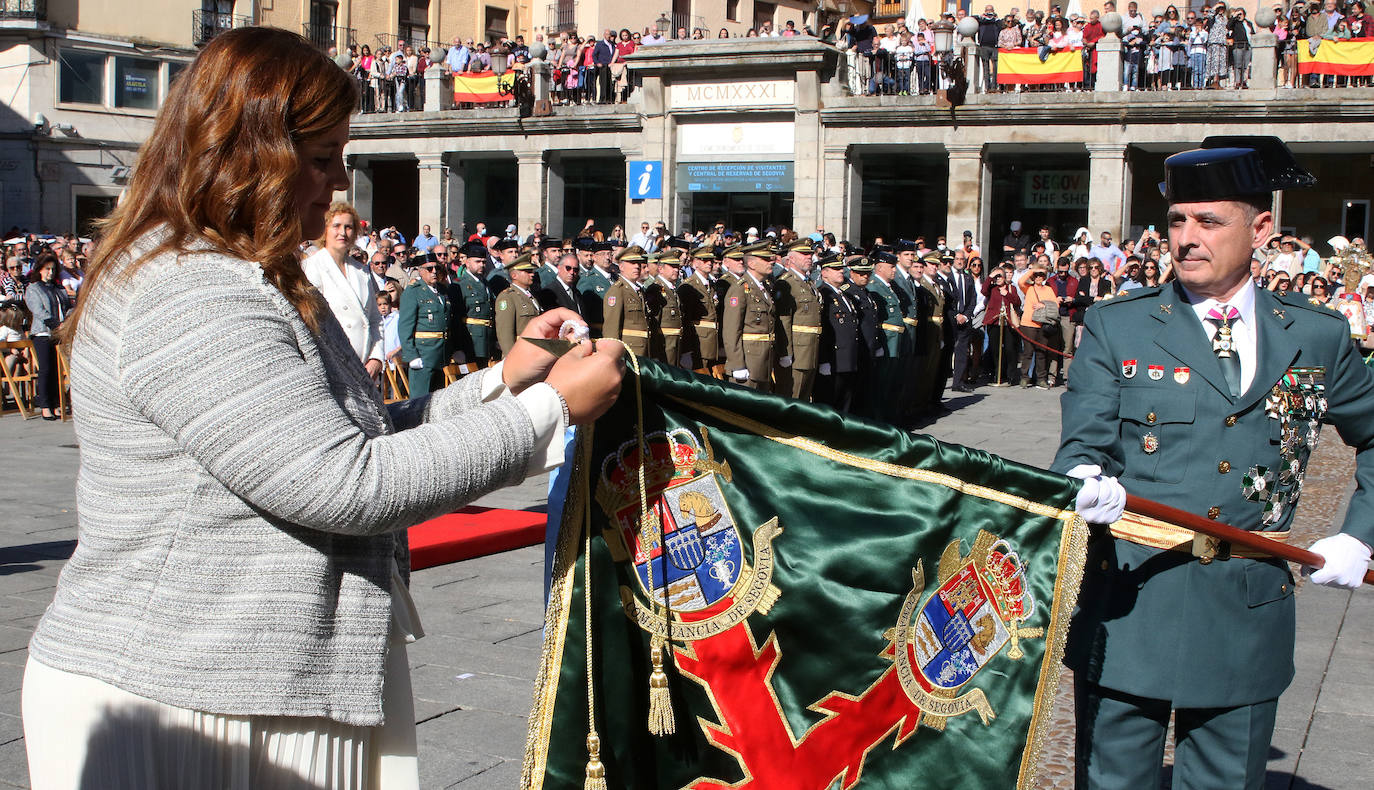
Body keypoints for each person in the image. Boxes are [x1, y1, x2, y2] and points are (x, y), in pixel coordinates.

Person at [21, 27, 624, 790]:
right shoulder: (191, 289)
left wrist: (510, 381)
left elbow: (353, 437)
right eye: (319, 157)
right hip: (191, 686)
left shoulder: (243, 272)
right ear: (246, 153)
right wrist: (549, 415)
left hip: (240, 678)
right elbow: (343, 483)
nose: (336, 182)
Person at [1056, 136, 1374, 790]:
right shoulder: (1123, 328)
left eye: (1209, 220)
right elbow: (1085, 435)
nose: (1186, 237)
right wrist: (1084, 475)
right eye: (1176, 220)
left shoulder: (1315, 336)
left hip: (1246, 611)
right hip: (1132, 603)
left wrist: (1359, 533)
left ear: (1261, 228)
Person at [301, 202, 385, 379]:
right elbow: (312, 322)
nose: (342, 232)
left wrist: (376, 358)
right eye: (336, 226)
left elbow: (375, 319)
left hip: (365, 368)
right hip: (333, 367)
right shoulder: (313, 266)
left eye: (348, 227)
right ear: (324, 230)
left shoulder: (361, 270)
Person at [722, 240, 780, 391]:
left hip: (764, 361)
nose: (771, 262)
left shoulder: (764, 288)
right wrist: (737, 364)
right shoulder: (740, 289)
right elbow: (731, 330)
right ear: (752, 263)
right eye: (765, 259)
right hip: (748, 363)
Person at [773, 238, 822, 400]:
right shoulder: (786, 283)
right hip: (797, 352)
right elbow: (783, 321)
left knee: (805, 397)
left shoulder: (808, 283)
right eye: (803, 254)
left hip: (811, 350)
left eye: (809, 253)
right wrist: (785, 353)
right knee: (792, 396)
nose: (809, 257)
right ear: (791, 258)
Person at [23, 253, 70, 420]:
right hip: (43, 333)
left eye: (52, 269)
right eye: (47, 269)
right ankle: (45, 405)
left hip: (60, 333)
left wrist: (67, 321)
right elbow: (38, 311)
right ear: (40, 270)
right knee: (46, 369)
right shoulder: (34, 288)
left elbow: (68, 307)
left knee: (58, 370)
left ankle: (58, 403)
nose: (50, 272)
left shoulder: (58, 288)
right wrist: (56, 324)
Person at [449, 241, 497, 372]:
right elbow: (455, 319)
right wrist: (458, 347)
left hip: (486, 339)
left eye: (483, 261)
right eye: (478, 262)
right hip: (470, 340)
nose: (482, 265)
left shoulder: (485, 283)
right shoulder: (459, 285)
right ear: (467, 262)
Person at [602, 245, 652, 357]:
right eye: (632, 263)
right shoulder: (617, 291)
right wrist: (613, 356)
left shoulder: (638, 291)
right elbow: (611, 329)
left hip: (642, 351)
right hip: (628, 352)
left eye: (638, 263)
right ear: (621, 266)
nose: (637, 267)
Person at [494, 252, 543, 356]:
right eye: (527, 271)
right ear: (514, 275)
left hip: (534, 351)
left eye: (532, 271)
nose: (532, 274)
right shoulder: (507, 297)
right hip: (520, 353)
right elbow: (505, 333)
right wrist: (510, 357)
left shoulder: (531, 296)